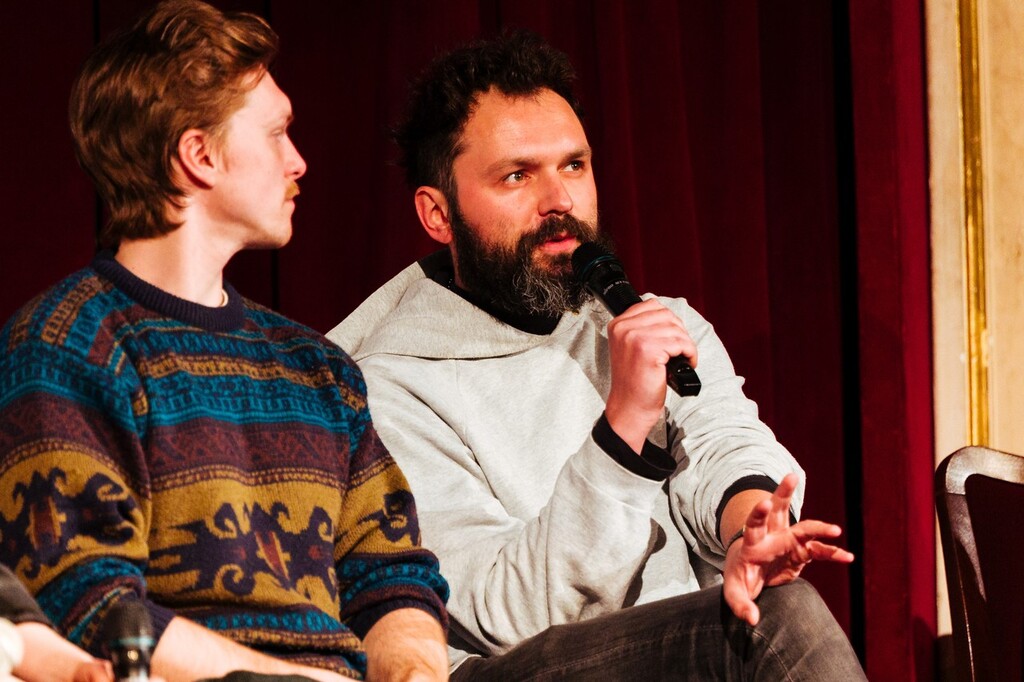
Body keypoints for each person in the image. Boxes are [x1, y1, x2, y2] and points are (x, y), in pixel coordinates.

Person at [328, 31, 867, 680]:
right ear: (438, 215)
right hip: (513, 666)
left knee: (778, 602)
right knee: (782, 625)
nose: (559, 200)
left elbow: (720, 440)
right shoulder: (384, 389)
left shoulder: (650, 322)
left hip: (672, 650)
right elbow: (505, 612)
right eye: (518, 175)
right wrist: (623, 428)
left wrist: (753, 527)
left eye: (574, 166)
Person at [0, 1, 448, 680]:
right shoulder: (67, 346)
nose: (298, 161)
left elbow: (392, 578)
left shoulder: (318, 367)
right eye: (277, 134)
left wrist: (414, 671)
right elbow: (91, 607)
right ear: (199, 155)